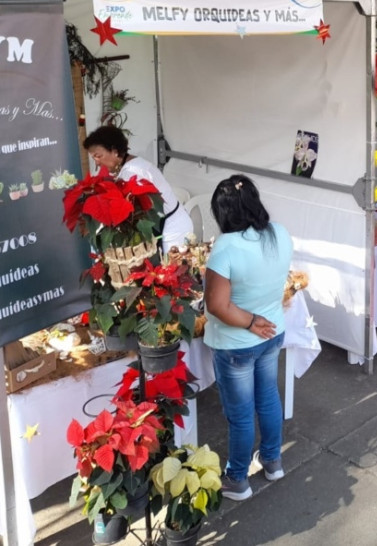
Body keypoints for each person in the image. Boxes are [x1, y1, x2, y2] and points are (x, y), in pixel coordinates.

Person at [203, 175, 293, 501]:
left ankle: (237, 478)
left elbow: (216, 305)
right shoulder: (278, 233)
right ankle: (272, 461)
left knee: (241, 415)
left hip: (237, 343)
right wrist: (256, 318)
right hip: (272, 333)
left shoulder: (226, 246)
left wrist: (249, 320)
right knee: (267, 397)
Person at [83, 126, 192, 252]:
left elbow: (132, 212)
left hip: (174, 231)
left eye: (98, 156)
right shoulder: (131, 164)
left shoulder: (133, 172)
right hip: (172, 224)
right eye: (93, 158)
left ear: (114, 151)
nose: (96, 163)